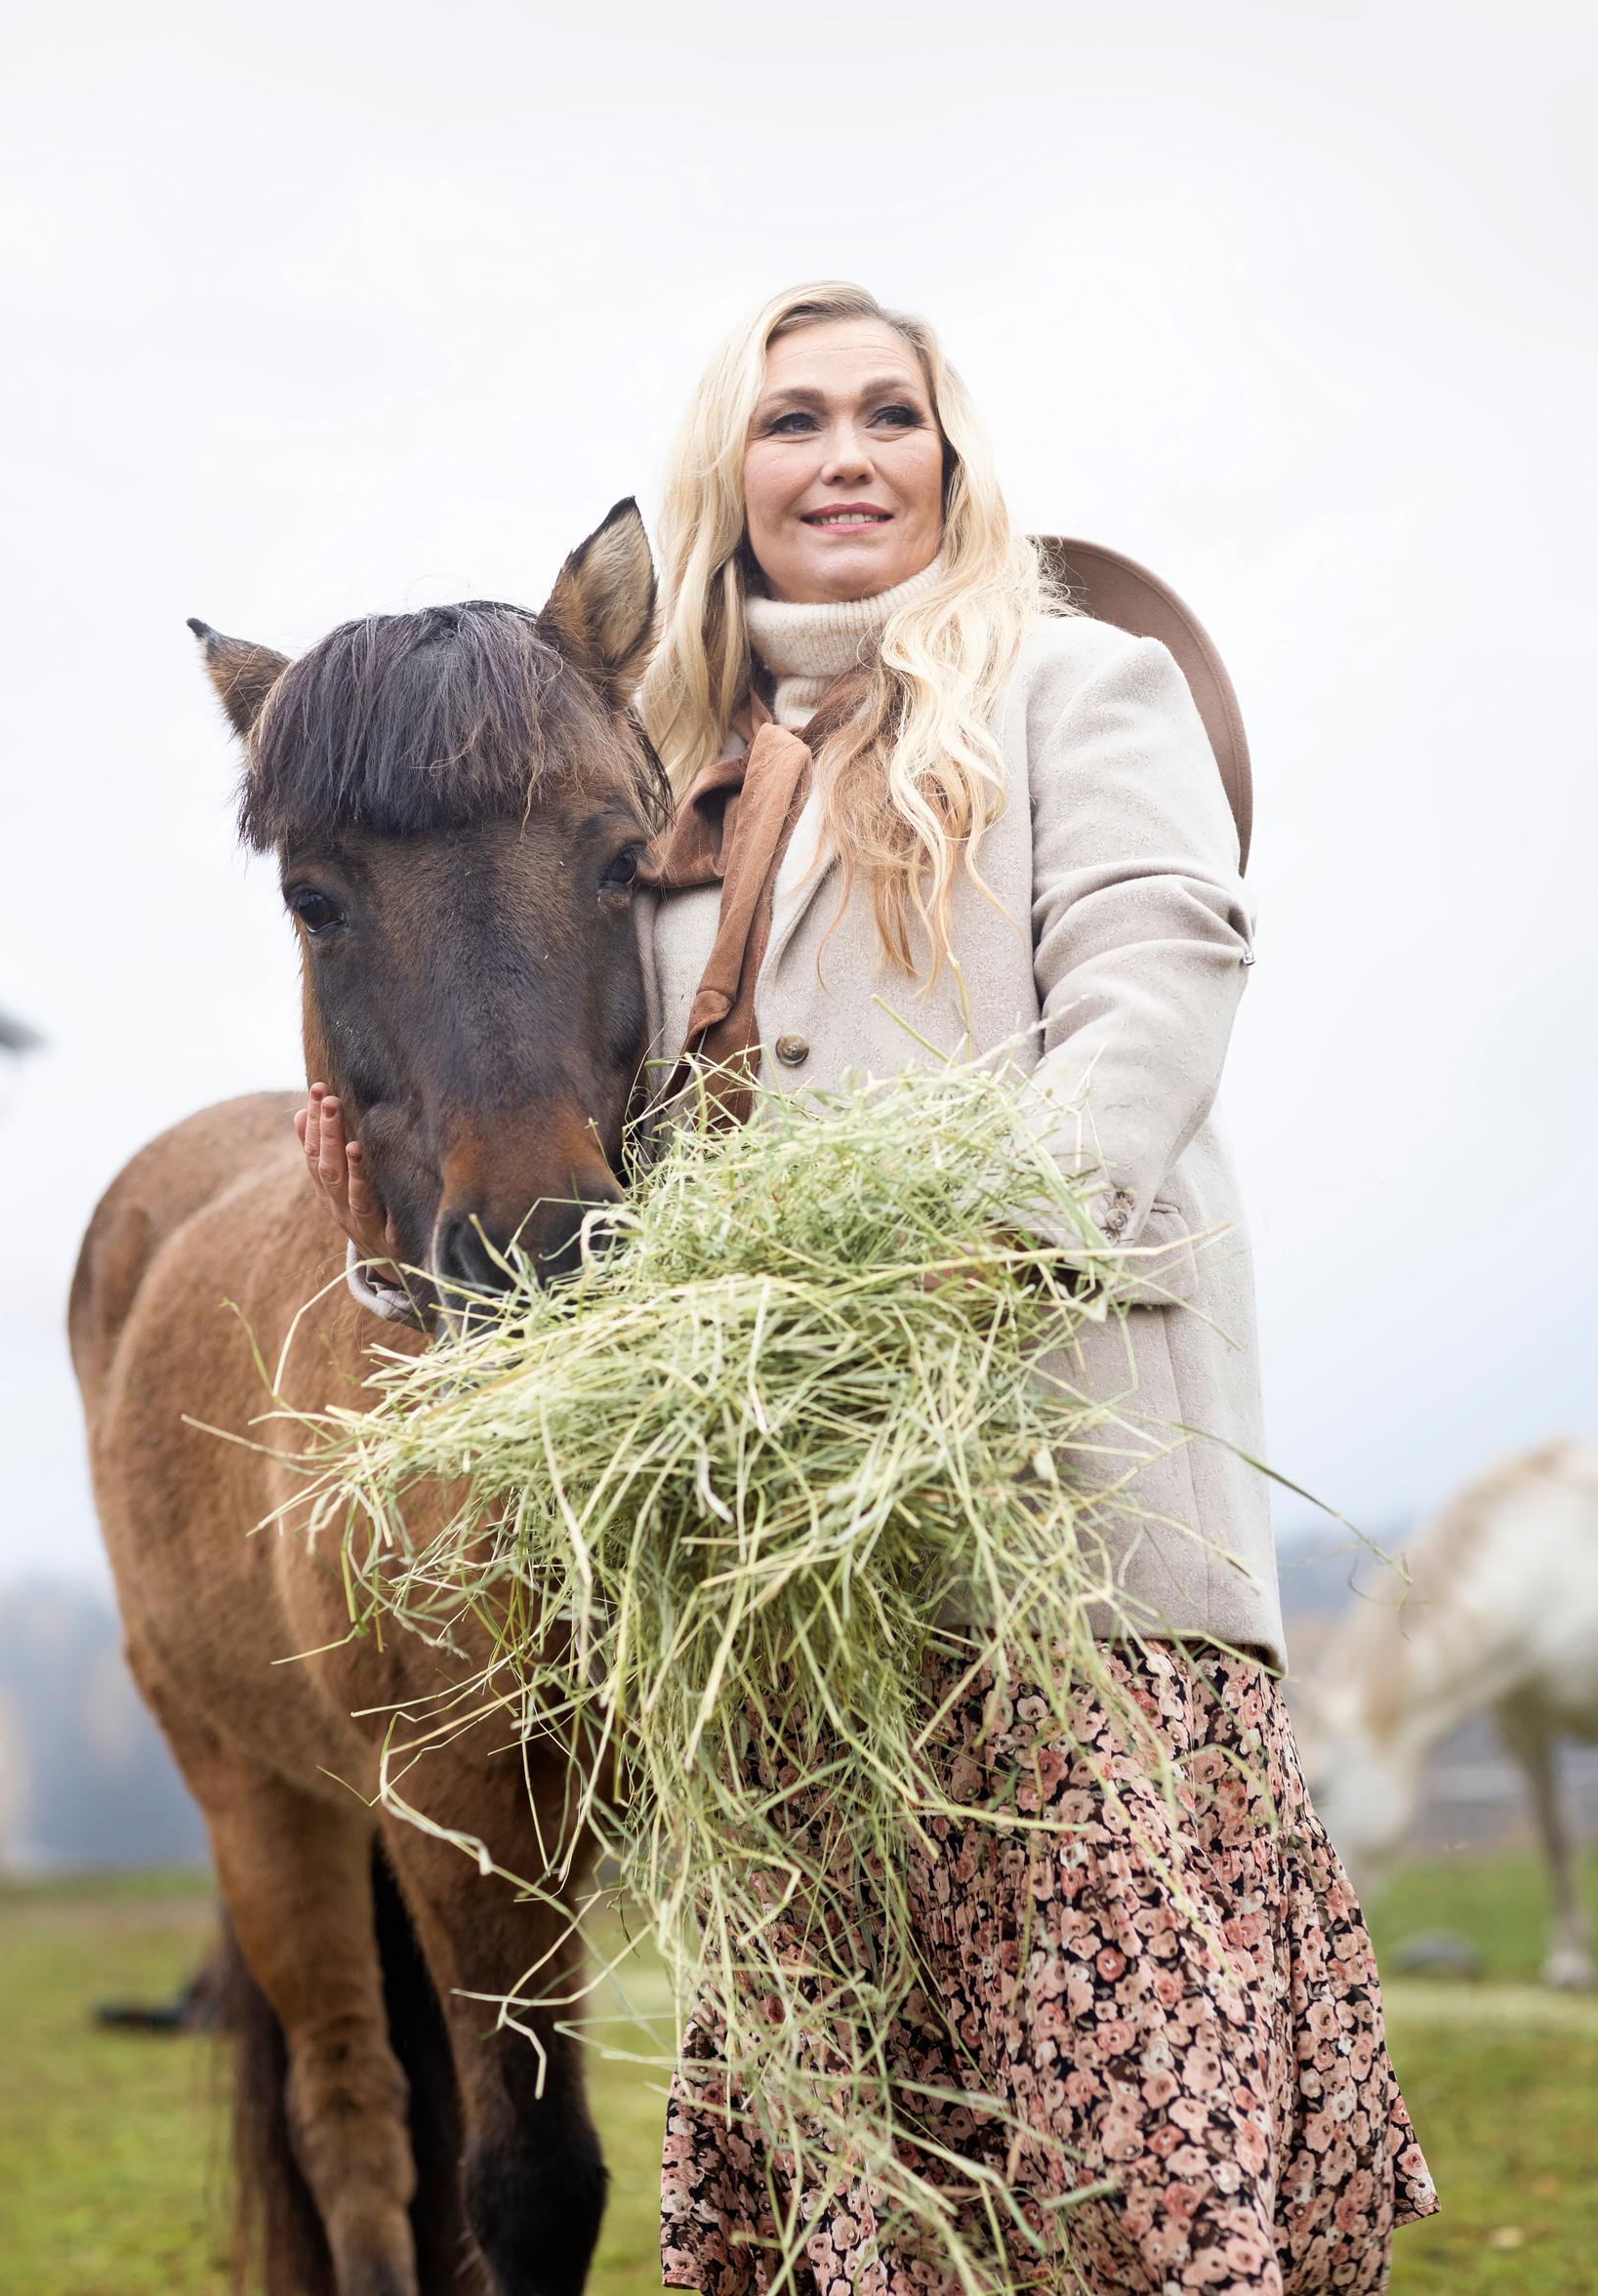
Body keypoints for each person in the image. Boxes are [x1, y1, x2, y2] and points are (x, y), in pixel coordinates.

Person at [300, 282, 1437, 2294]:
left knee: (1123, 2187)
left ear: (948, 455)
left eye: (887, 416)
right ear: (724, 479)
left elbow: (1158, 994)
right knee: (865, 2211)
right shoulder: (655, 786)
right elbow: (587, 1107)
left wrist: (946, 1258)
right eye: (793, 419)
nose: (844, 456)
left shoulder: (1076, 691)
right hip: (798, 1620)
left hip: (1060, 1536)